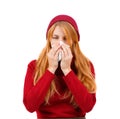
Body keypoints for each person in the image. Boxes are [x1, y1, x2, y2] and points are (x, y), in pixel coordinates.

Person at [23, 14, 97, 119]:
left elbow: (88, 106)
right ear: (49, 40)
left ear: (74, 42)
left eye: (66, 38)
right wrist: (51, 69)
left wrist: (67, 70)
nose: (60, 43)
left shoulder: (86, 65)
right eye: (55, 37)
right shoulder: (34, 66)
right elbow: (30, 106)